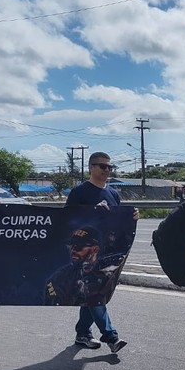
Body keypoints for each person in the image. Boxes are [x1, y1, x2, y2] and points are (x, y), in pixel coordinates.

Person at [64, 152, 135, 354]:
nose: (106, 170)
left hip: (106, 252)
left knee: (93, 294)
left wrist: (132, 218)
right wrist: (91, 213)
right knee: (95, 293)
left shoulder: (113, 194)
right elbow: (67, 221)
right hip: (85, 253)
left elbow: (118, 222)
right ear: (90, 168)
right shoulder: (79, 192)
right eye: (102, 166)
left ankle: (82, 332)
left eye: (109, 167)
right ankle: (111, 337)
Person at [44, 226, 127, 306]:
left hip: (96, 301)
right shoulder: (62, 274)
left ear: (95, 249)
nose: (73, 251)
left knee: (98, 316)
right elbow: (50, 289)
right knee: (89, 317)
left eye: (78, 247)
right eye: (71, 246)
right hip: (90, 304)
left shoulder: (107, 268)